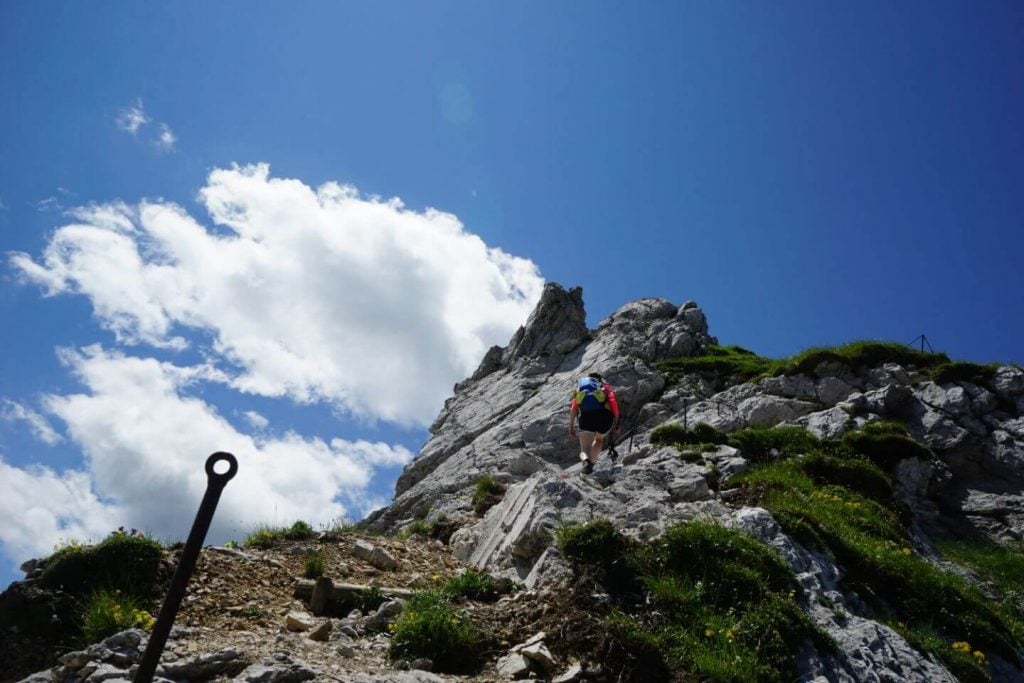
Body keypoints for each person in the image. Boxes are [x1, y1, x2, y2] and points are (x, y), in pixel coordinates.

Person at [568, 372, 620, 474]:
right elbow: (615, 408)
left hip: (586, 417)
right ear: (599, 380)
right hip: (604, 418)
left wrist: (571, 426)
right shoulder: (605, 387)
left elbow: (574, 409)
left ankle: (586, 464)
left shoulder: (581, 389)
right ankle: (591, 463)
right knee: (599, 440)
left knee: (584, 449)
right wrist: (617, 425)